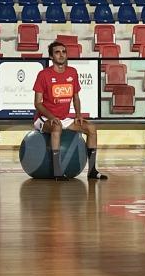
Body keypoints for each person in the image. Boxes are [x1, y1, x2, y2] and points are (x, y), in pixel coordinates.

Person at [33, 41, 107, 181]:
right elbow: (37, 103)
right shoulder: (43, 75)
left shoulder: (72, 72)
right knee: (57, 126)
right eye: (57, 52)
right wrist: (51, 117)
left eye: (63, 52)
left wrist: (78, 114)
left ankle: (92, 170)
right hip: (44, 118)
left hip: (64, 117)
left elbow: (76, 96)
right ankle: (57, 172)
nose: (61, 55)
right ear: (51, 56)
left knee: (91, 128)